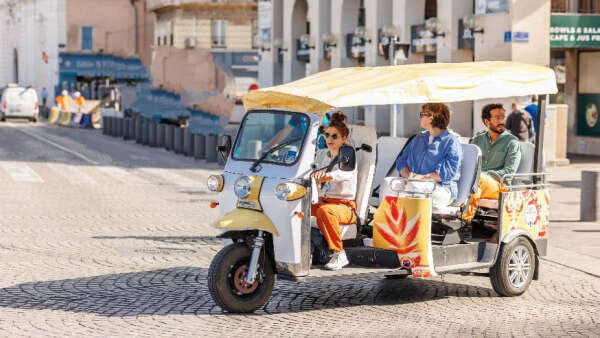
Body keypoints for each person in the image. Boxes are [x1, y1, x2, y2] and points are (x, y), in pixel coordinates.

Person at [311, 112, 357, 271]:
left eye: (334, 136)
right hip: (321, 201)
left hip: (344, 207)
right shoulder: (321, 154)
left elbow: (345, 174)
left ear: (344, 138)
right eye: (327, 135)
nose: (329, 139)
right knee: (295, 209)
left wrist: (327, 176)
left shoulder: (348, 155)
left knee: (325, 211)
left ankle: (339, 253)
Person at [395, 103, 463, 207]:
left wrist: (420, 178)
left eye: (422, 114)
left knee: (414, 187)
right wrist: (409, 176)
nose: (420, 117)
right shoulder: (418, 138)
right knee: (389, 184)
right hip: (413, 182)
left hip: (442, 190)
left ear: (431, 117)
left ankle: (411, 221)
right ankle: (393, 221)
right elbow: (401, 161)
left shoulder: (451, 142)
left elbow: (446, 174)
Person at [463, 103, 521, 222]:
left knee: (477, 180)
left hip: (500, 185)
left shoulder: (512, 142)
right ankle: (449, 217)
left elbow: (510, 171)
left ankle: (464, 222)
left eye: (502, 117)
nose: (501, 121)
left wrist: (484, 175)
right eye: (497, 118)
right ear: (487, 121)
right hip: (478, 183)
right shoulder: (477, 139)